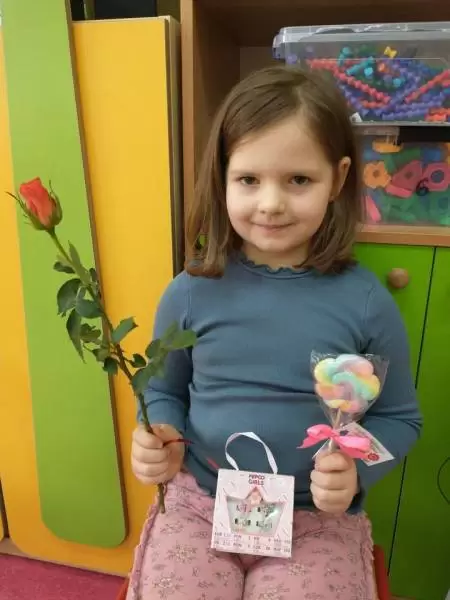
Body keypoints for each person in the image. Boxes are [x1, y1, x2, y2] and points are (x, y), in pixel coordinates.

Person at [127, 66, 422, 600]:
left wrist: (356, 469)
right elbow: (164, 390)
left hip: (315, 521)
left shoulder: (366, 303)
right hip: (199, 504)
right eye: (248, 180)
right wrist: (160, 435)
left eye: (298, 180)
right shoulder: (189, 293)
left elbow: (400, 418)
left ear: (337, 178)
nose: (270, 203)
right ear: (223, 177)